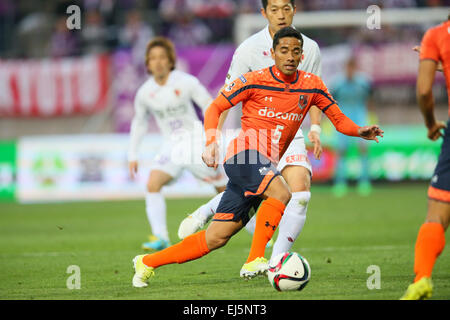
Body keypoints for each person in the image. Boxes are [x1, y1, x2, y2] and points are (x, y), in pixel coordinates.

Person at [132, 27, 384, 287]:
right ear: (273, 53)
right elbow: (216, 106)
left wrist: (359, 131)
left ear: (301, 56)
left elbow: (339, 119)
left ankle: (148, 262)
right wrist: (210, 142)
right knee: (283, 193)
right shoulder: (253, 79)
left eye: (295, 52)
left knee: (215, 238)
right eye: (284, 50)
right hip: (243, 155)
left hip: (264, 165)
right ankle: (255, 258)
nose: (289, 56)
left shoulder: (312, 85)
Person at [177, 0, 323, 265]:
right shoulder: (248, 49)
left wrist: (315, 127)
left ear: (294, 10)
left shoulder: (310, 48)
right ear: (263, 13)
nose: (281, 15)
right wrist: (214, 140)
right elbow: (224, 98)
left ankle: (276, 262)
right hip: (258, 135)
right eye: (275, 9)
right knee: (259, 193)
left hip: (291, 131)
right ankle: (209, 209)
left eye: (286, 8)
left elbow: (315, 92)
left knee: (300, 193)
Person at [128, 37, 227, 251]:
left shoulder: (186, 82)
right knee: (153, 184)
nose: (158, 62)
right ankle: (161, 237)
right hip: (171, 146)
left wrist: (213, 138)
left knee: (223, 189)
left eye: (162, 57)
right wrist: (132, 154)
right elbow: (139, 123)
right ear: (147, 63)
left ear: (171, 61)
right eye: (153, 58)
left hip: (194, 141)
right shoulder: (145, 92)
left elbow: (210, 106)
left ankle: (257, 230)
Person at [401, 16, 449, 300]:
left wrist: (431, 123)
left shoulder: (437, 35)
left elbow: (423, 90)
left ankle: (422, 279)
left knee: (437, 214)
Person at [330, 56, 374, 197]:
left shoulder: (364, 82)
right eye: (348, 67)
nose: (350, 71)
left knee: (363, 148)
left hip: (360, 116)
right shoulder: (338, 83)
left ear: (355, 68)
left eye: (352, 67)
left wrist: (369, 115)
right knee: (342, 150)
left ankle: (364, 182)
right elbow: (331, 100)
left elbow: (370, 98)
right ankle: (340, 182)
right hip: (343, 118)